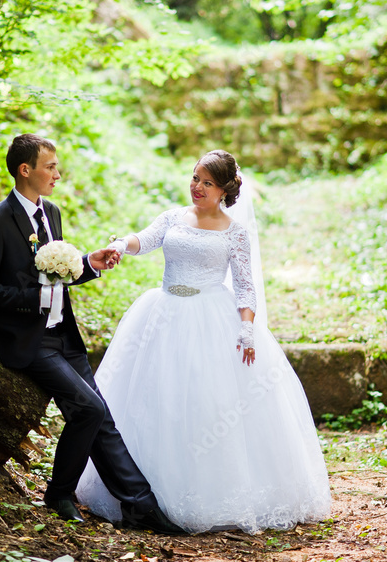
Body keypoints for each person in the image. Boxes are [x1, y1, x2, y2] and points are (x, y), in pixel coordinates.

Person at [75, 150, 332, 533]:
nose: (197, 187)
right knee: (157, 398)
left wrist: (246, 329)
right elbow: (144, 239)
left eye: (207, 183)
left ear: (224, 190)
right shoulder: (173, 217)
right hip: (163, 312)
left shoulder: (235, 232)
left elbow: (245, 287)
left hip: (212, 318)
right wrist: (120, 245)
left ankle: (209, 491)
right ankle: (142, 491)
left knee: (208, 403)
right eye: (195, 178)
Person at [0, 134, 185, 535]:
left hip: (64, 334)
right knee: (89, 410)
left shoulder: (51, 212)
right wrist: (31, 299)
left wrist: (89, 263)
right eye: (50, 167)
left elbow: (57, 274)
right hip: (27, 341)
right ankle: (59, 493)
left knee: (103, 420)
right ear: (25, 170)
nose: (57, 174)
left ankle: (141, 507)